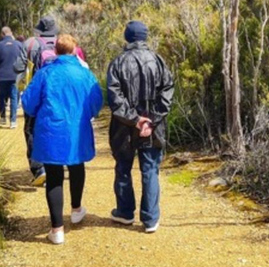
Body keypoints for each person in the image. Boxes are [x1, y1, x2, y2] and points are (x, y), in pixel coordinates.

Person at [21, 34, 103, 245]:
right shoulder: (85, 74)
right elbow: (96, 102)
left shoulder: (45, 73)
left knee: (54, 177)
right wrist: (86, 115)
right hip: (77, 130)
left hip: (51, 131)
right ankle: (76, 209)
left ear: (55, 51)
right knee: (77, 167)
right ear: (75, 51)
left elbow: (29, 104)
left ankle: (57, 229)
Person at [106, 21, 174, 233]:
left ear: (127, 37)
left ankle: (125, 212)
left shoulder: (118, 62)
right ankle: (150, 218)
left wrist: (136, 120)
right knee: (150, 169)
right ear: (144, 36)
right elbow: (167, 91)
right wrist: (150, 120)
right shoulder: (158, 61)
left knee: (123, 167)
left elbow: (114, 98)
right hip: (152, 127)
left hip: (124, 127)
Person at [14, 16, 59, 186]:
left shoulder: (30, 43)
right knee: (54, 128)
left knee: (31, 130)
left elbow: (18, 67)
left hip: (35, 93)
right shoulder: (63, 43)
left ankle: (38, 168)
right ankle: (55, 165)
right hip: (57, 95)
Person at [0, 26, 24, 129]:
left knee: (1, 96)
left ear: (2, 34)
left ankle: (3, 117)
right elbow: (24, 60)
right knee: (14, 97)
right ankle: (13, 121)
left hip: (1, 76)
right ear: (11, 33)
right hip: (15, 75)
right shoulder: (19, 45)